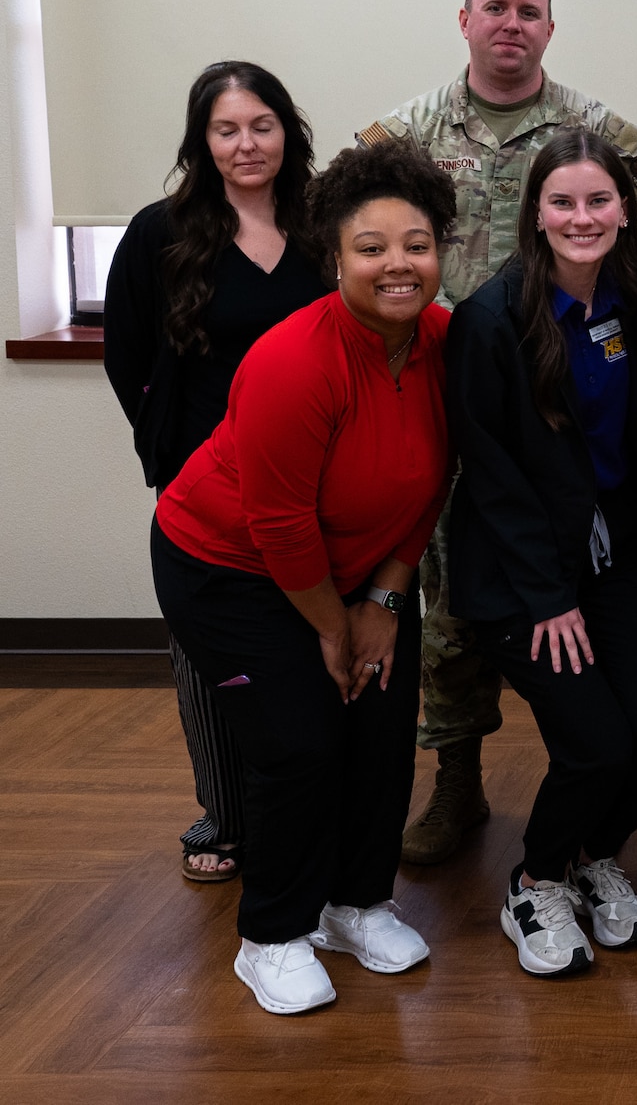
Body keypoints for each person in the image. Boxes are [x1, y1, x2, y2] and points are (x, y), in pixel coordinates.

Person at [361, 0, 637, 868]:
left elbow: (635, 251)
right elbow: (346, 233)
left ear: (548, 29)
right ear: (464, 20)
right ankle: (456, 778)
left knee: (537, 568)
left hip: (550, 397)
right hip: (433, 394)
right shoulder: (404, 134)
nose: (511, 23)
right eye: (495, 7)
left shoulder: (599, 133)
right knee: (448, 604)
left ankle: (584, 787)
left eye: (529, 11)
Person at [149, 140, 457, 1015]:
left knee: (384, 724)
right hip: (230, 567)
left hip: (365, 570)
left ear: (442, 249)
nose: (398, 264)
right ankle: (273, 932)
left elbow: (430, 482)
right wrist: (336, 627)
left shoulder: (443, 338)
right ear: (335, 256)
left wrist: (387, 604)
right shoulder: (294, 360)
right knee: (300, 740)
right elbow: (278, 526)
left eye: (417, 243)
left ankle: (357, 903)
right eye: (371, 247)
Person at [445, 131, 637, 979]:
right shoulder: (489, 320)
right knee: (596, 747)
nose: (583, 217)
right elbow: (493, 476)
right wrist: (548, 597)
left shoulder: (629, 297)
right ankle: (535, 880)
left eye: (599, 200)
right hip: (522, 575)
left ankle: (591, 858)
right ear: (535, 213)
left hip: (613, 555)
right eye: (563, 202)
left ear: (625, 209)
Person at [104, 61, 325, 885]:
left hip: (315, 482)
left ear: (286, 130)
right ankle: (226, 814)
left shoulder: (323, 225)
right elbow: (128, 360)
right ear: (202, 141)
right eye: (225, 129)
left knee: (306, 648)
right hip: (206, 489)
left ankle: (309, 802)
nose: (245, 144)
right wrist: (178, 456)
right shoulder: (158, 234)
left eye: (260, 125)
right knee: (210, 659)